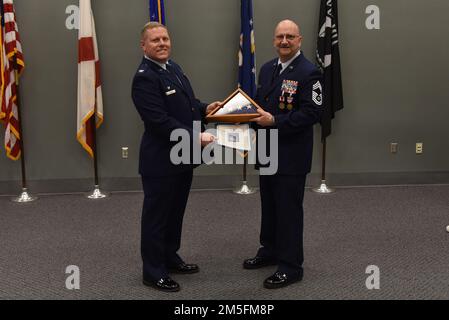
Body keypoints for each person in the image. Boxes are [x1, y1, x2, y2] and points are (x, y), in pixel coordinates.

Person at [131, 22, 219, 292]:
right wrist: (196, 137)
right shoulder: (145, 77)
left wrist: (206, 109)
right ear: (143, 46)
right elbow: (159, 121)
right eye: (155, 40)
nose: (162, 44)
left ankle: (170, 256)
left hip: (182, 158)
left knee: (175, 212)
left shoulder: (173, 68)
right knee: (157, 216)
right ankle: (153, 271)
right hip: (160, 161)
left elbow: (187, 105)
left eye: (165, 39)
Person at [246, 20, 324, 289]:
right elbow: (259, 103)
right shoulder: (268, 69)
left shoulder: (309, 72)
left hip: (291, 155)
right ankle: (269, 250)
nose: (284, 41)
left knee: (289, 210)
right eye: (280, 36)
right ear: (274, 40)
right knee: (269, 205)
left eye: (290, 36)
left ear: (299, 40)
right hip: (267, 151)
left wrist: (275, 122)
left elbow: (312, 113)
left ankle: (291, 266)